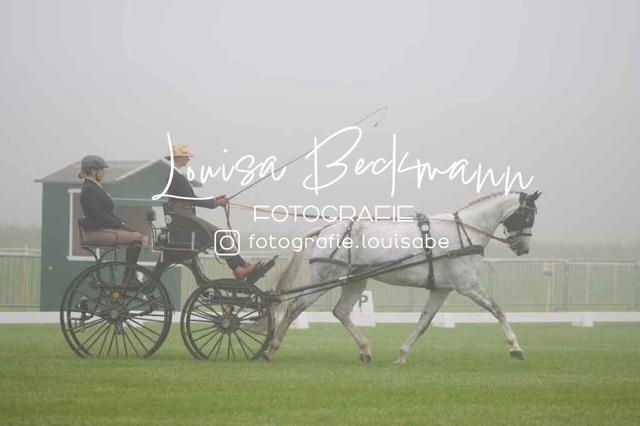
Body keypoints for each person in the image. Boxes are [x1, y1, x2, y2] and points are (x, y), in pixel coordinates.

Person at [163, 144, 256, 279]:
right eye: (186, 156)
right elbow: (191, 199)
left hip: (186, 215)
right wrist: (215, 203)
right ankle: (238, 269)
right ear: (177, 157)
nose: (188, 159)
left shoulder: (177, 174)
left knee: (221, 234)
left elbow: (191, 198)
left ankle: (241, 265)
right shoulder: (174, 175)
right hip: (184, 216)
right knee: (220, 234)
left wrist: (214, 200)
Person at [78, 155, 144, 284]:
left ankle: (130, 275)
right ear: (93, 171)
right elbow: (99, 215)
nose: (104, 173)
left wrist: (123, 224)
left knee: (136, 235)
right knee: (136, 238)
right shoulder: (90, 189)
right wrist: (120, 225)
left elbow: (107, 214)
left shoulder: (94, 187)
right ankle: (129, 276)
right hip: (95, 231)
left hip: (100, 229)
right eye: (102, 170)